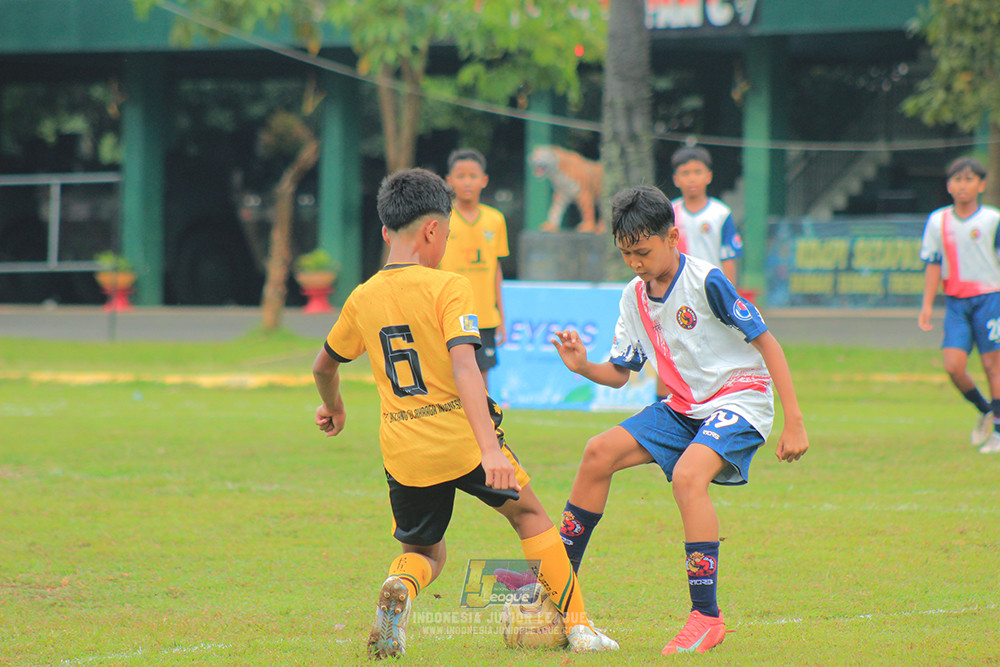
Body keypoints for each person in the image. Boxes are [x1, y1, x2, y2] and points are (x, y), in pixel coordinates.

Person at [312, 168, 618, 658]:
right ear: (432, 230)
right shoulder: (448, 287)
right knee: (532, 517)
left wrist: (334, 408)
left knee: (425, 554)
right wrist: (490, 448)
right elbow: (466, 369)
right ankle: (580, 628)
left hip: (404, 450)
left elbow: (323, 365)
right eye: (447, 235)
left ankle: (399, 589)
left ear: (389, 228)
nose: (446, 244)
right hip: (461, 440)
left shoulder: (362, 297)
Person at [551, 184, 809, 656]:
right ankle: (556, 595)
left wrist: (794, 421)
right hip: (685, 407)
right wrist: (583, 366)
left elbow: (767, 343)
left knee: (689, 477)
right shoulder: (633, 296)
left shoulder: (706, 280)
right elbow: (620, 373)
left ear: (672, 238)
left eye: (643, 251)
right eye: (626, 254)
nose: (635, 262)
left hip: (740, 398)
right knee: (597, 452)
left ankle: (706, 618)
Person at [918, 157, 1000, 454]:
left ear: (981, 185)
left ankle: (999, 433)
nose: (962, 185)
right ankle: (985, 408)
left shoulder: (992, 219)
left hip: (990, 299)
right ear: (948, 185)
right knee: (953, 366)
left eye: (969, 180)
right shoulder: (938, 220)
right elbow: (932, 263)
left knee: (993, 366)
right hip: (956, 303)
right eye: (956, 179)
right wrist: (927, 304)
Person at [655, 145, 744, 402]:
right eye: (685, 173)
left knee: (710, 355)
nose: (691, 178)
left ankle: (713, 404)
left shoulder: (720, 214)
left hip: (708, 294)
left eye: (697, 172)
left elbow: (729, 258)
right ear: (676, 179)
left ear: (708, 176)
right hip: (675, 293)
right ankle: (665, 408)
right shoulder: (669, 212)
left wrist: (729, 297)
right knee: (671, 352)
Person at [439, 148, 509, 391]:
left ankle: (485, 428)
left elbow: (496, 270)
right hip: (449, 314)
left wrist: (501, 316)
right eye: (461, 175)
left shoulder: (495, 220)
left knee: (482, 378)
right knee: (447, 379)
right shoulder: (440, 220)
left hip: (484, 318)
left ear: (484, 180)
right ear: (449, 181)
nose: (467, 182)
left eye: (472, 175)